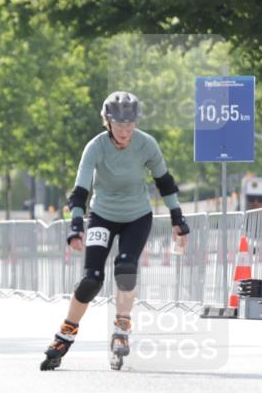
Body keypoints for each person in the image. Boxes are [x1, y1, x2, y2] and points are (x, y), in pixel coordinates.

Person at [41, 91, 190, 371]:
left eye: (130, 124)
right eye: (119, 124)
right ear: (107, 122)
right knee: (91, 280)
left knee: (125, 268)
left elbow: (165, 182)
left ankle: (122, 328)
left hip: (137, 216)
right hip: (102, 215)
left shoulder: (146, 144)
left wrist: (177, 218)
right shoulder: (96, 147)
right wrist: (76, 224)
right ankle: (65, 335)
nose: (125, 131)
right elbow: (80, 188)